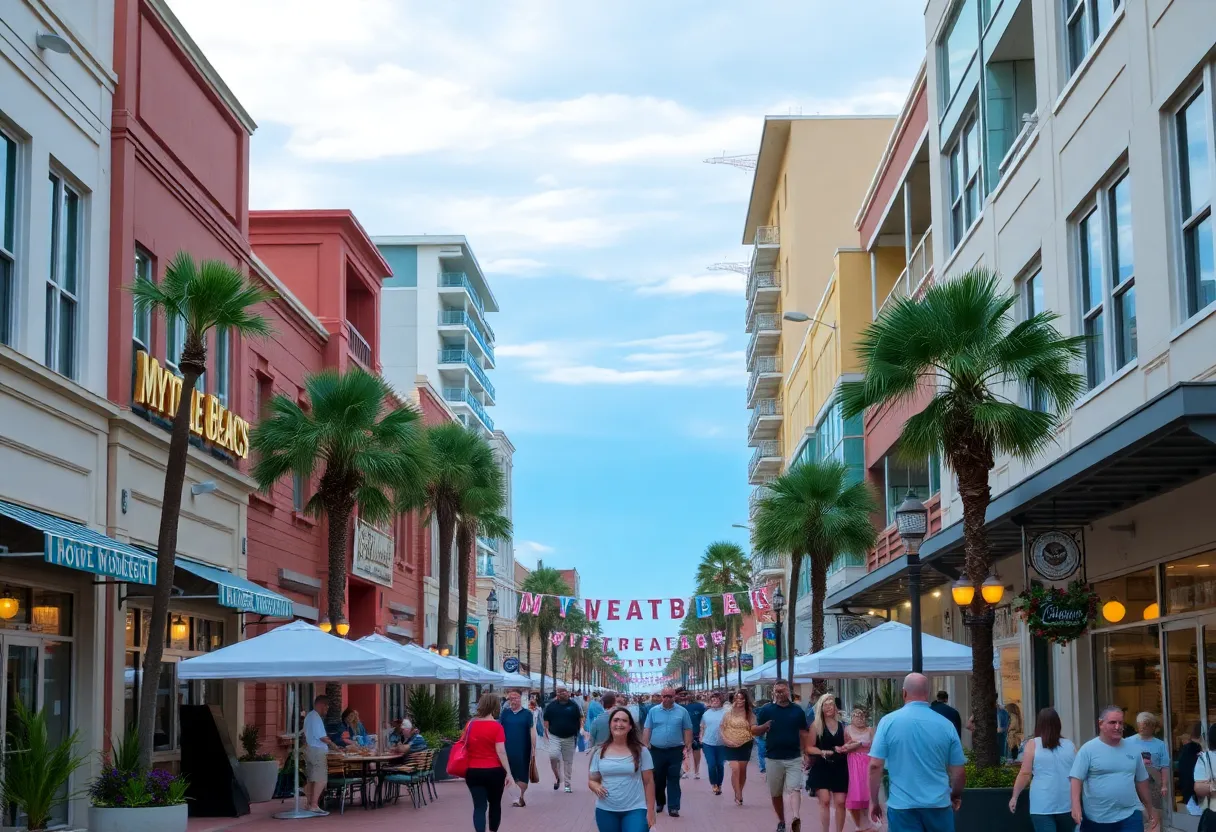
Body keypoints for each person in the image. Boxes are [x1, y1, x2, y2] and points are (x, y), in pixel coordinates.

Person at [868, 673, 966, 832]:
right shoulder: (946, 725)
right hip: (938, 805)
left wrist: (874, 801)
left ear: (904, 693)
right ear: (927, 694)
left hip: (902, 806)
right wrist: (955, 795)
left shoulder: (888, 722)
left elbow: (875, 766)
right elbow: (959, 772)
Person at [1068, 705, 1159, 831]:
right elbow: (1076, 778)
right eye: (1112, 723)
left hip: (1130, 814)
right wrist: (1076, 805)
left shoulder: (1132, 748)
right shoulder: (1088, 750)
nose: (1117, 727)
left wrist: (1150, 808)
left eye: (1120, 723)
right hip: (1097, 818)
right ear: (1101, 724)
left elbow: (1141, 781)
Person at [754, 680, 810, 832]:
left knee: (795, 788)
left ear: (789, 692)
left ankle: (796, 818)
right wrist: (763, 727)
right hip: (773, 758)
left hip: (794, 757)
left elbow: (804, 732)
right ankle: (781, 820)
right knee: (776, 793)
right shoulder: (767, 710)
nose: (779, 694)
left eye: (782, 691)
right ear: (773, 693)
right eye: (777, 691)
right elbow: (756, 730)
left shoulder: (797, 711)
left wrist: (806, 752)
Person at [1009, 707, 1077, 832]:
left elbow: (1025, 773)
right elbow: (1077, 774)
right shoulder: (1069, 745)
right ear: (1058, 724)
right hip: (1067, 802)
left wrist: (1015, 796)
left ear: (1039, 725)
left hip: (1041, 803)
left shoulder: (1033, 744)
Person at [590, 707, 657, 832]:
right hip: (606, 810)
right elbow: (592, 779)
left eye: (624, 721)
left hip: (636, 809)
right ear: (610, 724)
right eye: (615, 720)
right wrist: (595, 786)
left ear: (630, 726)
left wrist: (650, 810)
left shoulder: (641, 751)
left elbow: (649, 782)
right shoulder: (599, 751)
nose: (619, 724)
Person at [464, 692, 514, 832]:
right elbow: (501, 751)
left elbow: (465, 745)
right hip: (494, 772)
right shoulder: (497, 727)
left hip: (473, 771)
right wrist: (509, 773)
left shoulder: (470, 725)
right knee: (495, 804)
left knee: (479, 807)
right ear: (495, 706)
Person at [642, 686, 693, 817]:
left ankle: (674, 807)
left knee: (674, 778)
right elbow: (648, 728)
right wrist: (644, 746)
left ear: (674, 696)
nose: (667, 699)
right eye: (664, 696)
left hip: (675, 750)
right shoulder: (653, 711)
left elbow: (687, 728)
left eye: (670, 696)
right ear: (661, 697)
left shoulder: (682, 712)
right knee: (658, 778)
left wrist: (688, 745)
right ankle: (660, 802)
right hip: (657, 751)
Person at [807, 693, 849, 832]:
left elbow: (848, 743)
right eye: (826, 704)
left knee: (841, 802)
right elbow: (809, 747)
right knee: (824, 800)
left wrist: (845, 748)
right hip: (822, 766)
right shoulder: (816, 726)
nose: (829, 707)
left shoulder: (843, 726)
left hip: (840, 766)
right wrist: (822, 752)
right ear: (821, 707)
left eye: (831, 704)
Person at [1125, 712, 1169, 825]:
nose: (1143, 727)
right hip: (1133, 783)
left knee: (1155, 814)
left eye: (1146, 724)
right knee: (1137, 814)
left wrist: (1164, 785)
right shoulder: (1127, 742)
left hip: (1153, 784)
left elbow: (1165, 766)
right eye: (1140, 724)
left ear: (1153, 726)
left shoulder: (1160, 744)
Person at [303, 695, 340, 816]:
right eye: (327, 706)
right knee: (321, 779)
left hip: (309, 749)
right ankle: (314, 805)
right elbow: (322, 737)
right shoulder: (316, 717)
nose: (327, 709)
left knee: (311, 779)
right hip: (318, 751)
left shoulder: (309, 716)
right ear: (321, 704)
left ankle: (309, 804)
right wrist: (334, 746)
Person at [500, 689, 537, 808]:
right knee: (509, 771)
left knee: (521, 772)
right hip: (507, 747)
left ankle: (520, 797)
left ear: (521, 699)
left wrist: (533, 748)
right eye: (511, 698)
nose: (513, 701)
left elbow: (532, 730)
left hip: (523, 748)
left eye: (516, 698)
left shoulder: (527, 714)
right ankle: (516, 796)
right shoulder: (505, 713)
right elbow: (499, 729)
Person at [544, 686, 583, 793]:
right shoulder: (551, 706)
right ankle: (558, 777)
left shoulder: (574, 706)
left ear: (568, 693)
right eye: (560, 692)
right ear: (557, 693)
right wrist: (546, 732)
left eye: (564, 691)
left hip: (570, 737)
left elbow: (579, 719)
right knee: (553, 755)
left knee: (568, 762)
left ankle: (567, 785)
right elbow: (546, 721)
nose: (563, 693)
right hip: (554, 735)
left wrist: (578, 732)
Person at [721, 689, 757, 806]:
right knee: (735, 768)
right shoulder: (728, 712)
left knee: (742, 770)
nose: (739, 700)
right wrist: (725, 739)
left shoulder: (750, 713)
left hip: (745, 744)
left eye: (742, 698)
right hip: (730, 744)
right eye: (737, 698)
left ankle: (739, 790)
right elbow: (722, 727)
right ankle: (738, 793)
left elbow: (753, 727)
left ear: (746, 700)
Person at [844, 707, 875, 832]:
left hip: (868, 762)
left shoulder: (871, 730)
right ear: (852, 718)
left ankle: (869, 821)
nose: (860, 718)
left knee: (868, 792)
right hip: (853, 763)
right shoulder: (847, 729)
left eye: (862, 716)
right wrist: (855, 745)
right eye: (856, 716)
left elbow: (875, 746)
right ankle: (858, 823)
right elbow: (844, 747)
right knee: (855, 792)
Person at [700, 691, 727, 796]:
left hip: (722, 743)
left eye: (716, 699)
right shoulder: (706, 714)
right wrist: (701, 737)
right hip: (708, 743)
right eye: (712, 700)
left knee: (720, 765)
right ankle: (714, 784)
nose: (714, 701)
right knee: (711, 764)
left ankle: (719, 784)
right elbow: (702, 726)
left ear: (721, 701)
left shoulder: (726, 713)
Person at [680, 687, 706, 780]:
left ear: (691, 694)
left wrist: (703, 732)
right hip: (681, 734)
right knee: (683, 753)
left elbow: (704, 720)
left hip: (695, 733)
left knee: (696, 751)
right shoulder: (677, 707)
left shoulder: (699, 706)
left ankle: (697, 771)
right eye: (682, 694)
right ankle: (685, 770)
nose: (684, 696)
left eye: (686, 694)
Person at [1177, 722, 1203, 813]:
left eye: (1183, 739)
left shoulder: (1188, 750)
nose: (1182, 741)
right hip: (1196, 796)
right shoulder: (1194, 749)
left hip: (1192, 795)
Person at [1191, 723, 1216, 817]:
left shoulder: (1204, 758)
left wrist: (1211, 786)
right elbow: (1199, 788)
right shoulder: (1205, 758)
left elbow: (1199, 788)